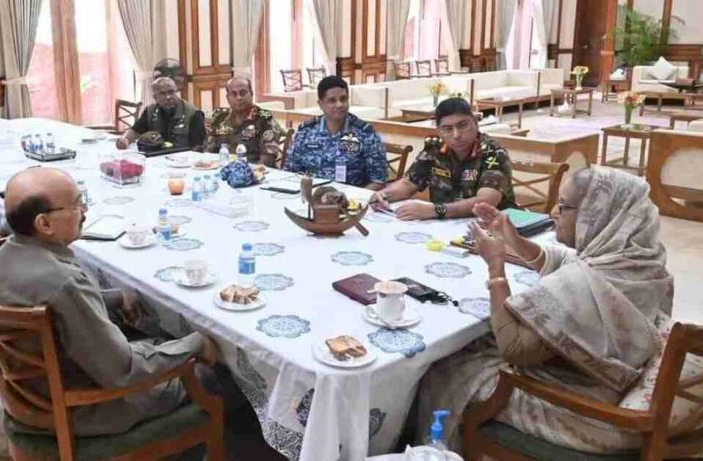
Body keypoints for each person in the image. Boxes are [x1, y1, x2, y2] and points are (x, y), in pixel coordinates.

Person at [417, 167, 683, 454]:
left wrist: (496, 268)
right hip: (616, 369)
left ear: (598, 215)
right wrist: (514, 240)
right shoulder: (640, 260)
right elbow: (568, 261)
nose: (553, 212)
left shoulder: (582, 287)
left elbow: (515, 348)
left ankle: (439, 449)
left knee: (446, 364)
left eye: (564, 206)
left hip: (584, 402)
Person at [0, 167, 221, 436]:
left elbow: (57, 308)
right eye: (76, 204)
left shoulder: (5, 254)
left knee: (157, 341)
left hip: (30, 395)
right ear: (44, 224)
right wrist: (195, 343)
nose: (84, 211)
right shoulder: (64, 282)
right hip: (83, 407)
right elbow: (123, 370)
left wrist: (117, 297)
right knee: (217, 372)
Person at [370, 98, 516, 220]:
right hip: (445, 225)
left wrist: (435, 210)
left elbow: (486, 202)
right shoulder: (435, 148)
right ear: (439, 131)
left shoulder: (493, 152)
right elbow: (408, 184)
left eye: (463, 125)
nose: (456, 134)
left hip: (493, 227)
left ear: (475, 123)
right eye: (447, 129)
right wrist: (384, 195)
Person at [284, 76, 387, 190]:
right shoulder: (306, 132)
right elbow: (291, 172)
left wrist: (355, 200)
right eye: (332, 100)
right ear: (321, 104)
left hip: (351, 201)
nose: (339, 105)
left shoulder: (365, 133)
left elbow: (378, 181)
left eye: (343, 99)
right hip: (312, 197)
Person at [204, 75, 285, 166]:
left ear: (251, 94)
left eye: (243, 93)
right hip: (222, 171)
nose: (239, 98)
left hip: (254, 173)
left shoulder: (264, 119)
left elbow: (268, 159)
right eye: (234, 94)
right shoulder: (219, 118)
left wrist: (249, 174)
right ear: (227, 98)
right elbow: (209, 153)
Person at [116, 76, 206, 151]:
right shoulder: (150, 111)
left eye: (171, 92)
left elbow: (198, 147)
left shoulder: (193, 113)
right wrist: (125, 141)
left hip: (183, 162)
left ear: (176, 92)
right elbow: (136, 131)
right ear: (155, 97)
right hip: (157, 158)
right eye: (162, 93)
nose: (168, 97)